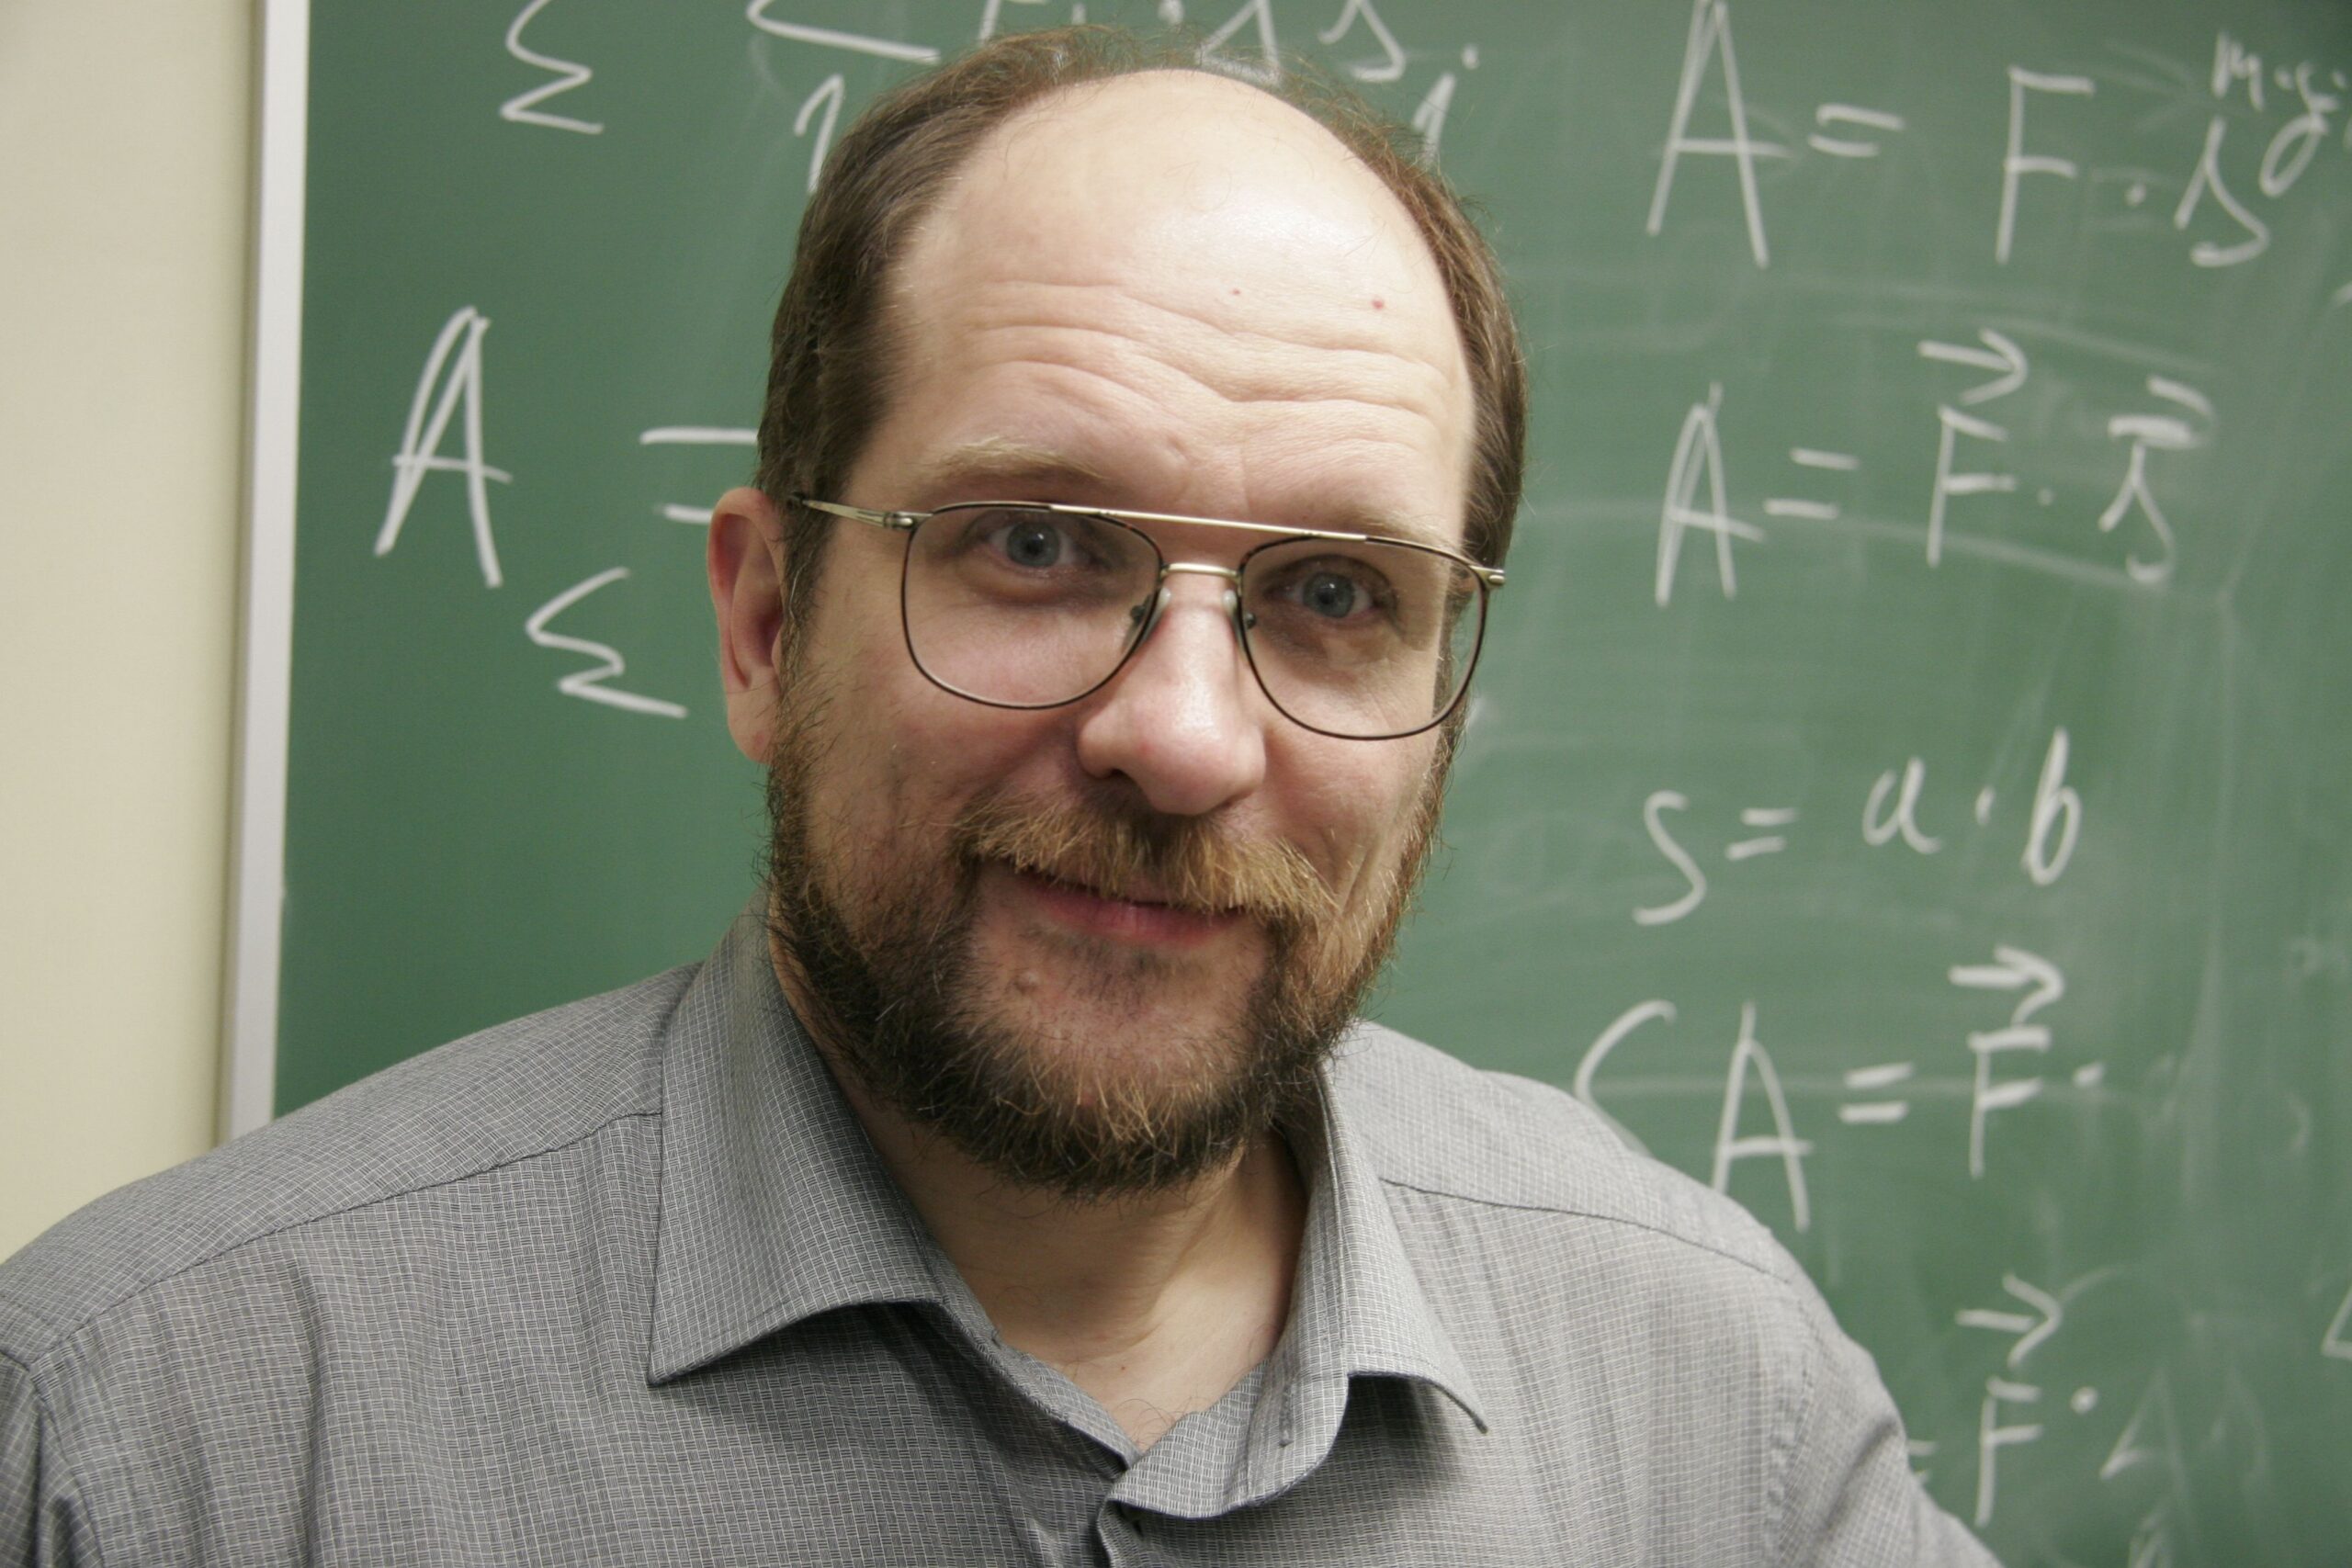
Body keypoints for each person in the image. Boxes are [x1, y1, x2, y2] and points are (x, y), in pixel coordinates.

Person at [1, 27, 1996, 1566]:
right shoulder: (158, 1441)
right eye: (1034, 544)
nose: (1185, 739)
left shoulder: (1716, 1401)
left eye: (1333, 595)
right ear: (766, 624)